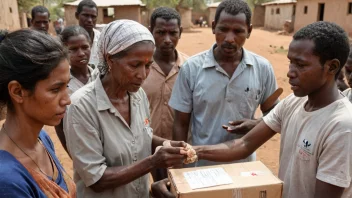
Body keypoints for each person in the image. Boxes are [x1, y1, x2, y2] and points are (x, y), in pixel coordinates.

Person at [193, 21, 352, 198]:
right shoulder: (293, 103)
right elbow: (244, 144)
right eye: (291, 62)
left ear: (332, 67)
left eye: (301, 65)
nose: (290, 72)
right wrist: (193, 151)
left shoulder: (342, 126)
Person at [63, 20, 188, 198]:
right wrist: (152, 162)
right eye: (134, 65)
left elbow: (139, 136)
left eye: (147, 65)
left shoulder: (138, 95)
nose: (143, 75)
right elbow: (97, 180)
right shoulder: (81, 106)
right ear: (109, 59)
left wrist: (166, 145)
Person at [169, 0, 278, 167]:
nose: (230, 39)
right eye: (223, 29)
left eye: (238, 31)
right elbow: (180, 123)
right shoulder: (191, 68)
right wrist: (179, 167)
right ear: (213, 27)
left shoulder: (262, 68)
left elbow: (274, 114)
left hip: (243, 166)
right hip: (200, 165)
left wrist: (256, 124)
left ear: (249, 31)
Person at [0, 29, 75, 197]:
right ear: (18, 91)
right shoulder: (7, 181)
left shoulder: (42, 139)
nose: (67, 100)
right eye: (56, 89)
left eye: (67, 86)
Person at [142, 7, 188, 181]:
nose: (167, 39)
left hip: (181, 147)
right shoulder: (140, 68)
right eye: (161, 32)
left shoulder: (190, 68)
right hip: (147, 147)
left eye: (173, 33)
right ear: (150, 31)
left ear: (180, 32)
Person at [55, 25, 95, 153]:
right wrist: (70, 152)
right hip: (79, 147)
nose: (81, 53)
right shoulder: (61, 84)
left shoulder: (100, 77)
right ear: (63, 51)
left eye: (85, 47)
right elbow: (59, 125)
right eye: (73, 49)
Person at [76, 0, 100, 68]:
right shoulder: (69, 38)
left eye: (93, 16)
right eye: (86, 15)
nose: (90, 20)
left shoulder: (102, 38)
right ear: (77, 15)